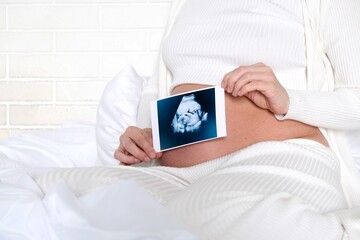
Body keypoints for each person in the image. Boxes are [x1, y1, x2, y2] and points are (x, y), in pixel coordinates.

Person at [36, 0, 360, 239]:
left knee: (198, 215)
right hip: (179, 173)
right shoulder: (185, 5)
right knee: (53, 185)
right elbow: (159, 90)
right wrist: (144, 134)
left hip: (281, 157)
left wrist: (289, 100)